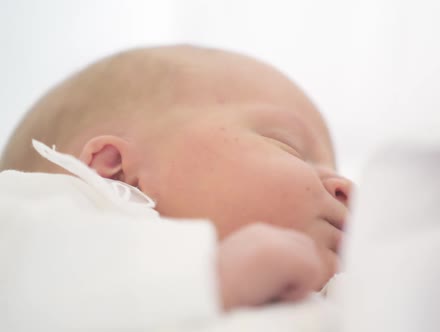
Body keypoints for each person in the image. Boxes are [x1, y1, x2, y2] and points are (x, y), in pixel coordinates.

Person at [0, 45, 352, 330]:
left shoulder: (340, 294)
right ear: (115, 170)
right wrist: (204, 275)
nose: (347, 187)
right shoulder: (37, 212)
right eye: (286, 145)